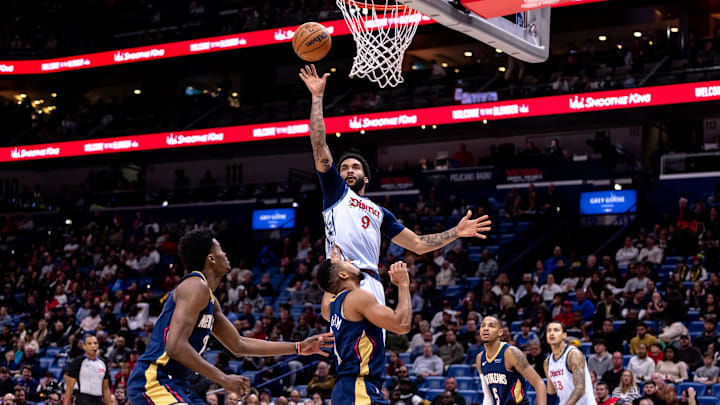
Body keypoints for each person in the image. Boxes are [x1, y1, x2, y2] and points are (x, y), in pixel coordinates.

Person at [299, 64, 491, 309]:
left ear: (366, 178)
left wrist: (456, 232)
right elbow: (318, 143)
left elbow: (418, 244)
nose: (348, 170)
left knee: (375, 345)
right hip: (341, 278)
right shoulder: (336, 192)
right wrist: (317, 97)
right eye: (344, 167)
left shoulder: (379, 213)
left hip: (372, 281)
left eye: (355, 167)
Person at [127, 230, 332, 405]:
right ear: (211, 259)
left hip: (176, 382)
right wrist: (223, 378)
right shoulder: (194, 286)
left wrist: (298, 347)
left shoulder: (210, 299)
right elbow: (175, 346)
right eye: (221, 250)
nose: (226, 254)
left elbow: (238, 344)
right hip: (153, 380)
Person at [318, 247, 412, 405]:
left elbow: (324, 306)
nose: (351, 262)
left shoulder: (333, 307)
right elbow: (401, 325)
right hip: (358, 389)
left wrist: (334, 266)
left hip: (347, 390)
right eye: (345, 263)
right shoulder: (356, 297)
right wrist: (403, 285)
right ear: (342, 275)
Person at [476, 316, 547, 405]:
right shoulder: (480, 358)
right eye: (483, 326)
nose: (486, 329)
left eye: (491, 326)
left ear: (500, 332)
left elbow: (539, 384)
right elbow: (488, 397)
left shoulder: (511, 353)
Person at [545, 322, 596, 405]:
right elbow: (551, 393)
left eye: (556, 330)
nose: (552, 333)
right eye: (549, 331)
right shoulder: (547, 362)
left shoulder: (573, 354)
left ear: (564, 335)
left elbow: (580, 389)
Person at [63, 334, 110, 405]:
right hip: (83, 399)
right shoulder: (78, 362)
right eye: (89, 343)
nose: (93, 345)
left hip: (98, 400)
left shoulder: (103, 363)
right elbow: (69, 388)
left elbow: (105, 389)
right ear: (84, 347)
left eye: (95, 343)